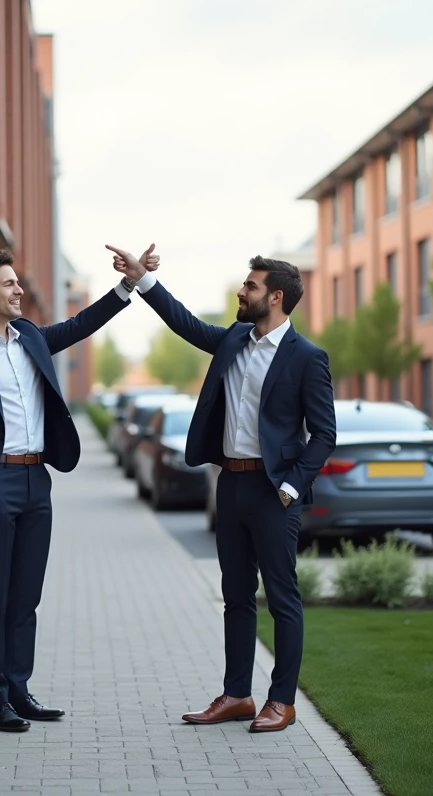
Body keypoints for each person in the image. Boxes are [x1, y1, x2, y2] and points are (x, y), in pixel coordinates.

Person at [0, 248, 157, 733]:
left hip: (37, 480)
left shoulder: (30, 337)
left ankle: (17, 689)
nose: (19, 291)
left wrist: (127, 287)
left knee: (26, 595)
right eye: (9, 284)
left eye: (18, 283)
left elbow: (78, 326)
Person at [107, 244, 336, 733]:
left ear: (275, 297)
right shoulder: (234, 338)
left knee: (281, 597)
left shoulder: (307, 358)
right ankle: (237, 695)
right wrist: (141, 280)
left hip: (274, 492)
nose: (241, 290)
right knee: (235, 595)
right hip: (229, 485)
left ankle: (282, 701)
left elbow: (324, 434)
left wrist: (293, 487)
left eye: (250, 285)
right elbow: (185, 323)